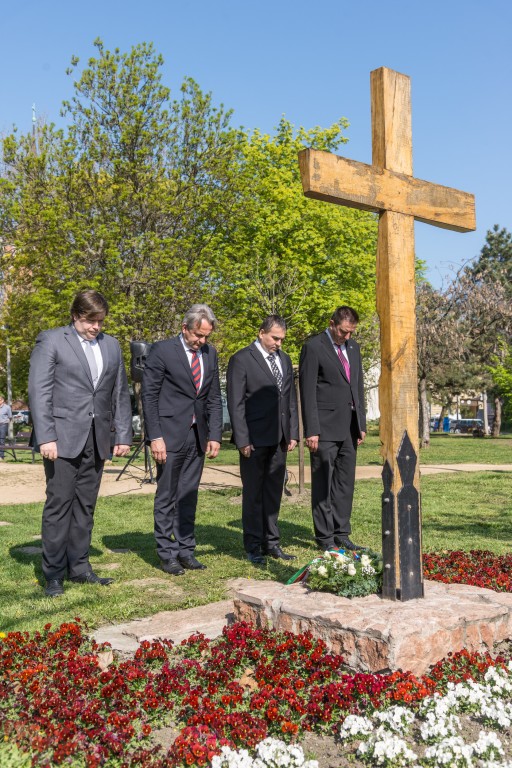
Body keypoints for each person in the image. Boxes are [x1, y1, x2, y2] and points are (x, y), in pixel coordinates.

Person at [28, 289, 132, 597]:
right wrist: (46, 436)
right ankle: (54, 574)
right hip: (61, 439)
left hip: (97, 438)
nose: (96, 327)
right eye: (90, 321)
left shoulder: (112, 345)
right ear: (75, 316)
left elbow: (119, 392)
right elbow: (39, 391)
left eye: (100, 321)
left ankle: (80, 567)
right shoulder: (51, 340)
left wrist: (122, 434)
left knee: (86, 505)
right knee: (60, 504)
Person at [142, 304, 222, 576]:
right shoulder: (162, 350)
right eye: (198, 335)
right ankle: (167, 554)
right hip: (168, 435)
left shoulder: (210, 354)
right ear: (184, 328)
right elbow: (149, 396)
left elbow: (213, 397)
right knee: (167, 495)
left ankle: (186, 550)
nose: (202, 341)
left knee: (188, 495)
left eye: (206, 336)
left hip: (197, 435)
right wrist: (155, 437)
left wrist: (214, 434)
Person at [227, 315, 299, 564]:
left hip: (279, 437)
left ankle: (272, 542)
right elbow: (236, 402)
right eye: (275, 338)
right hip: (254, 439)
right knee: (254, 493)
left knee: (273, 491)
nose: (279, 343)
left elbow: (289, 399)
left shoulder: (284, 359)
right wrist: (242, 439)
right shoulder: (241, 359)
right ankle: (254, 545)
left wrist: (292, 432)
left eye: (282, 339)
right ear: (261, 333)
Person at [299, 306, 366, 552]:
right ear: (331, 324)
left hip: (349, 428)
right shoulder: (313, 347)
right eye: (343, 331)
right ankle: (325, 537)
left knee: (344, 484)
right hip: (324, 429)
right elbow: (307, 392)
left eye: (351, 332)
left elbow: (357, 385)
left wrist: (361, 423)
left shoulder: (354, 348)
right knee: (323, 484)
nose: (347, 336)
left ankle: (341, 533)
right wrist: (311, 430)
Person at [0, 393, 12, 461]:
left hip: (3, 425)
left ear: (2, 400)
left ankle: (1, 456)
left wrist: (6, 423)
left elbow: (10, 417)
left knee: (2, 440)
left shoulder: (7, 407)